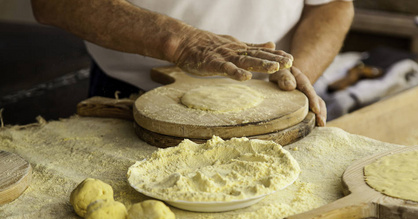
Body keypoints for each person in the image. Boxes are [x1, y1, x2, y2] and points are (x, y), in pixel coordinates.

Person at [31, 0, 354, 126]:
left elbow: (331, 5)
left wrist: (294, 81)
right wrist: (181, 42)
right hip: (135, 94)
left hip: (276, 101)